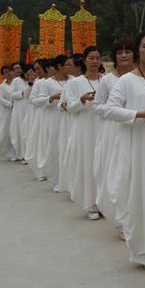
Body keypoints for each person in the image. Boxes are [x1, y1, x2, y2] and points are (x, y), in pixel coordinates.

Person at [105, 32, 145, 272]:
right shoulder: (127, 81)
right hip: (140, 145)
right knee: (142, 197)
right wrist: (139, 114)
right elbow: (110, 110)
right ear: (138, 50)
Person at [94, 38, 135, 240]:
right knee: (118, 176)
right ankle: (120, 220)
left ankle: (135, 219)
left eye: (128, 51)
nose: (125, 55)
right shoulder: (107, 81)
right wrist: (121, 113)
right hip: (114, 131)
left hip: (139, 131)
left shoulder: (142, 77)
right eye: (120, 52)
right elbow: (98, 106)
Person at [63, 46, 104, 220]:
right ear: (85, 60)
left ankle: (104, 202)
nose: (94, 61)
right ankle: (91, 204)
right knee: (88, 164)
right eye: (91, 58)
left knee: (104, 163)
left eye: (97, 58)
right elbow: (68, 108)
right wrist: (81, 99)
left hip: (103, 126)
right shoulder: (75, 83)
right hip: (85, 128)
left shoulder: (106, 80)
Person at [38, 55, 70, 192]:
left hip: (70, 117)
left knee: (69, 149)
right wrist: (51, 98)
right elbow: (38, 100)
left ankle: (70, 181)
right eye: (67, 65)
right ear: (59, 66)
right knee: (56, 149)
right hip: (55, 119)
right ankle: (57, 181)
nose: (69, 67)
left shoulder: (73, 80)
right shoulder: (48, 83)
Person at [57, 54, 84, 195]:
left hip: (82, 122)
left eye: (69, 64)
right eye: (66, 64)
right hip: (69, 121)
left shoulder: (82, 81)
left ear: (78, 66)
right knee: (70, 153)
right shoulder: (70, 83)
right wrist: (63, 104)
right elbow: (60, 103)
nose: (66, 67)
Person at [24, 60, 49, 181]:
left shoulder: (51, 80)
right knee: (40, 141)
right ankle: (41, 170)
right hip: (41, 115)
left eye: (39, 69)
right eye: (35, 69)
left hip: (54, 115)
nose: (37, 72)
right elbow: (32, 99)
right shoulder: (38, 82)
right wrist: (48, 99)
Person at [8, 62, 29, 162]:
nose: (18, 70)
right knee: (21, 131)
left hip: (30, 108)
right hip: (20, 109)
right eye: (16, 68)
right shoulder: (16, 81)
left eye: (19, 68)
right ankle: (22, 154)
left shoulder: (33, 81)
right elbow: (11, 94)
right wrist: (22, 93)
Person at [0, 65, 16, 161]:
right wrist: (10, 104)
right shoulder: (2, 86)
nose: (8, 74)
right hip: (7, 110)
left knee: (16, 130)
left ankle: (18, 151)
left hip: (17, 109)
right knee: (6, 131)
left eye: (9, 71)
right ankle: (10, 153)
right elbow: (1, 98)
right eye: (5, 72)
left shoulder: (17, 82)